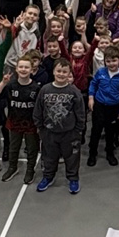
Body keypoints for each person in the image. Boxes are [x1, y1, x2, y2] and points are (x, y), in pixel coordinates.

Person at [34, 58, 85, 194]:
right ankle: (48, 177)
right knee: (49, 157)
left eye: (64, 72)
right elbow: (38, 110)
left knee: (72, 157)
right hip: (49, 132)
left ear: (69, 74)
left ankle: (73, 179)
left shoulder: (74, 91)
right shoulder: (45, 89)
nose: (61, 74)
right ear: (53, 72)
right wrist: (40, 128)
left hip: (69, 133)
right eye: (59, 71)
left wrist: (78, 130)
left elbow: (80, 112)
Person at [0, 56, 42, 183]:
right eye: (21, 67)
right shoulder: (10, 85)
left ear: (32, 70)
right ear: (16, 69)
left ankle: (30, 170)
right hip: (14, 121)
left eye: (26, 67)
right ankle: (13, 168)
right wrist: (3, 82)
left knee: (31, 148)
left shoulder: (36, 88)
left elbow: (40, 108)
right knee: (14, 147)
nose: (23, 69)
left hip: (31, 123)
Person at [87, 46, 119, 166]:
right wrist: (91, 97)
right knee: (96, 130)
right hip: (99, 106)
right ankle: (92, 153)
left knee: (111, 132)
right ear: (105, 61)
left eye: (114, 60)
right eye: (108, 61)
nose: (111, 64)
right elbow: (93, 84)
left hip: (113, 108)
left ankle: (110, 153)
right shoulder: (101, 72)